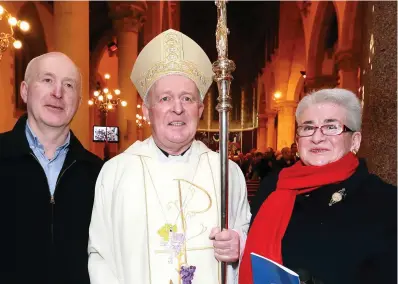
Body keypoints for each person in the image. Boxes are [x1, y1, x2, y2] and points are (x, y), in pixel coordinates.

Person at [88, 29, 250, 284]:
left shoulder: (227, 173)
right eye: (165, 98)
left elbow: (245, 236)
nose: (177, 108)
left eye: (187, 98)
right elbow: (99, 255)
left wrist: (239, 246)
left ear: (200, 109)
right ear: (147, 110)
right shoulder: (116, 172)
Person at [240, 88, 397, 284]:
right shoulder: (273, 187)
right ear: (298, 140)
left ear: (355, 141)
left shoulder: (387, 202)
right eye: (308, 128)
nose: (317, 137)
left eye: (331, 127)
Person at [0, 52, 103, 283]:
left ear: (78, 100)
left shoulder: (98, 173)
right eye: (47, 80)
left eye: (69, 85)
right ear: (25, 91)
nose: (58, 93)